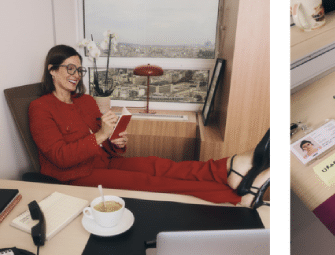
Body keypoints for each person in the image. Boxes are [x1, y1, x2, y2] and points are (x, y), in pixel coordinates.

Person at [29, 45, 270, 208]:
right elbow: (60, 157)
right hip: (75, 177)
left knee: (160, 165)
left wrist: (114, 142)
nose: (76, 75)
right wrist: (102, 135)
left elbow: (105, 145)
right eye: (69, 69)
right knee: (152, 183)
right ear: (52, 70)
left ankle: (228, 167)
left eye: (79, 69)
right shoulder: (40, 108)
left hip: (105, 162)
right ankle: (238, 198)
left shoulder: (86, 101)